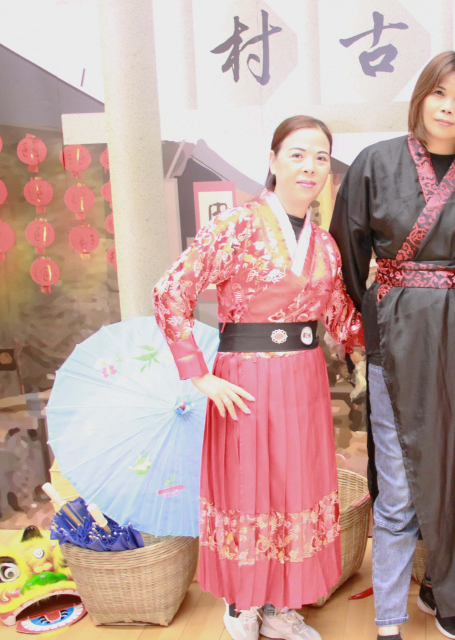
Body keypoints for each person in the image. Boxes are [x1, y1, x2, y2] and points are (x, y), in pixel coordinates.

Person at [330, 51, 455, 640]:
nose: (447, 107)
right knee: (398, 480)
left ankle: (448, 593)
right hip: (399, 337)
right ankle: (389, 617)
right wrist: (373, 319)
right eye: (439, 93)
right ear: (420, 96)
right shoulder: (374, 162)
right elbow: (345, 254)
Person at [153, 116, 364, 640]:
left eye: (320, 157)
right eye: (297, 154)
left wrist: (402, 311)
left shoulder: (325, 245)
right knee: (250, 487)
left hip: (305, 379)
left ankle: (281, 606)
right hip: (245, 378)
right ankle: (242, 604)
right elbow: (171, 290)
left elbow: (342, 318)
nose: (310, 167)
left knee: (295, 486)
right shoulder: (238, 226)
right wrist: (199, 375)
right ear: (273, 160)